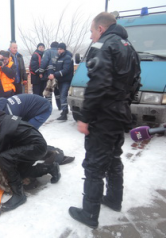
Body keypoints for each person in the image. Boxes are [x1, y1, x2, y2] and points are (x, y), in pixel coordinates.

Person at [69, 12, 141, 229]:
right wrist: (122, 103)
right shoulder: (130, 47)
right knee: (113, 157)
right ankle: (113, 199)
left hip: (103, 116)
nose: (91, 37)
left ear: (100, 28)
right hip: (120, 113)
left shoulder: (104, 45)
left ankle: (89, 214)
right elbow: (136, 82)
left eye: (92, 31)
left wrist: (85, 117)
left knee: (94, 165)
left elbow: (98, 84)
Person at [0, 106, 60, 212]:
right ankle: (51, 168)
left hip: (36, 147)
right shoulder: (1, 120)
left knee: (4, 159)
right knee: (20, 173)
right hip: (32, 145)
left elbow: (1, 150)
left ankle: (19, 195)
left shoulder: (2, 125)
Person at [47, 43, 74, 121]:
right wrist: (51, 73)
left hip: (66, 80)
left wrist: (54, 75)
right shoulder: (58, 57)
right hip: (60, 80)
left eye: (61, 49)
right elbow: (54, 67)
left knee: (63, 96)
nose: (59, 50)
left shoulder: (67, 58)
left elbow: (65, 70)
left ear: (64, 49)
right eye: (58, 49)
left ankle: (64, 113)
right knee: (62, 96)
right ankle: (64, 110)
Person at [40, 41, 61, 109]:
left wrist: (41, 71)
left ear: (51, 46)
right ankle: (60, 106)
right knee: (57, 90)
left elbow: (44, 62)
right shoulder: (60, 52)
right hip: (58, 73)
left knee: (49, 89)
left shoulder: (47, 52)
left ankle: (49, 107)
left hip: (49, 73)